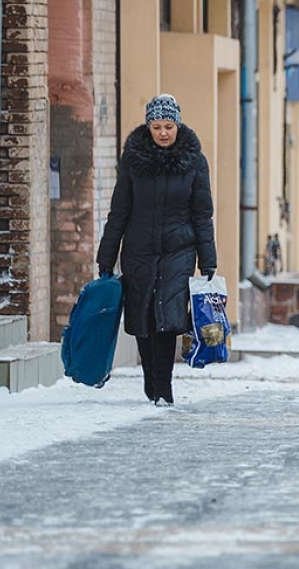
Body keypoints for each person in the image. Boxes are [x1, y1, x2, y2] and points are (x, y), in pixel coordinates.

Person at [96, 94, 217, 406]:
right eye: (157, 126)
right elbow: (119, 212)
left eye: (169, 125)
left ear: (177, 124)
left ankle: (164, 387)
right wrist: (106, 257)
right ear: (148, 126)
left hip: (179, 251)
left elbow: (202, 214)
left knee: (169, 317)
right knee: (142, 318)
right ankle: (151, 379)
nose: (163, 132)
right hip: (138, 250)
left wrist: (208, 260)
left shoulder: (194, 161)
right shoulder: (133, 161)